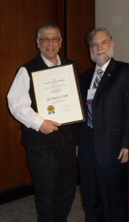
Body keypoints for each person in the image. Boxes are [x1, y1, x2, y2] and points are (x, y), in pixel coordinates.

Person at [7, 22, 79, 222]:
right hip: (41, 145)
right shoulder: (26, 70)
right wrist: (39, 122)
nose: (50, 43)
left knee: (66, 191)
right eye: (45, 39)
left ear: (60, 42)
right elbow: (16, 104)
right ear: (38, 42)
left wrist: (77, 140)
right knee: (46, 194)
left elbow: (76, 104)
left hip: (67, 144)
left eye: (54, 38)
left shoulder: (70, 67)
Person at [78, 28, 129, 222]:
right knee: (90, 199)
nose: (99, 48)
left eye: (103, 42)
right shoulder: (84, 77)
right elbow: (80, 114)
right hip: (87, 147)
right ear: (90, 49)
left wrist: (128, 143)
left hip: (113, 148)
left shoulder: (127, 71)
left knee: (115, 202)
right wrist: (77, 143)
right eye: (94, 44)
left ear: (111, 45)